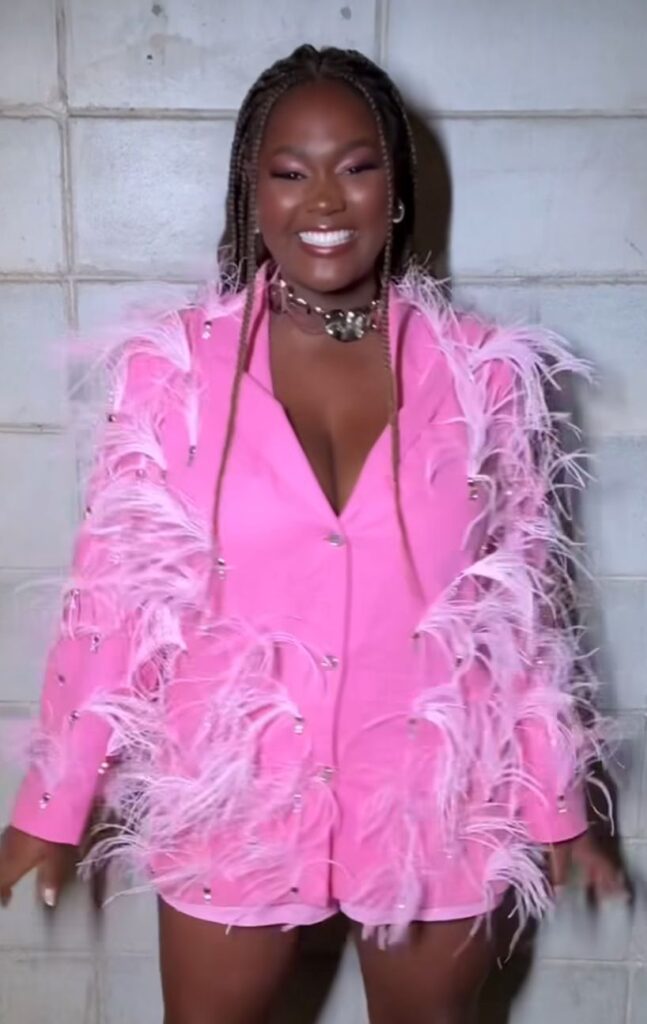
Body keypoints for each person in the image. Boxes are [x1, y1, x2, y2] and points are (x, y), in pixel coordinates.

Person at [0, 44, 626, 1024]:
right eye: (289, 172)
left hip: (435, 805)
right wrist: (53, 802)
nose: (324, 200)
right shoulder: (174, 372)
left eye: (356, 166)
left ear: (398, 189)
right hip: (234, 799)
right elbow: (112, 603)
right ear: (251, 194)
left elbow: (523, 614)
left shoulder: (482, 374)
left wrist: (555, 802)